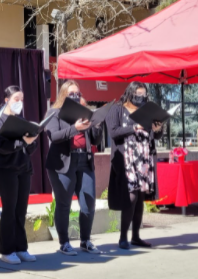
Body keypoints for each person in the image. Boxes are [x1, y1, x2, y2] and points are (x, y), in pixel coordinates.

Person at [44, 80, 103, 256]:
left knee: (89, 202)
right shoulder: (54, 113)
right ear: (63, 95)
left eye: (78, 93)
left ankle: (85, 241)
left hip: (85, 160)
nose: (76, 96)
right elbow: (54, 136)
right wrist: (74, 128)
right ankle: (64, 243)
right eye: (71, 94)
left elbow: (95, 140)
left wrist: (97, 125)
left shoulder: (84, 113)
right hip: (63, 163)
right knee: (64, 204)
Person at [105, 81, 163, 250]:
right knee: (130, 196)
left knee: (140, 198)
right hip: (126, 158)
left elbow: (155, 136)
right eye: (138, 95)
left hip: (144, 157)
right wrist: (134, 127)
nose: (141, 98)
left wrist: (157, 129)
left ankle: (136, 236)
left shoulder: (147, 111)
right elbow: (113, 132)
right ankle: (123, 237)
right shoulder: (117, 109)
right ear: (130, 93)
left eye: (143, 95)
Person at [0, 86, 39, 264]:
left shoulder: (21, 120)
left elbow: (31, 147)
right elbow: (0, 146)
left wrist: (31, 141)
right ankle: (7, 250)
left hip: (23, 168)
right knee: (9, 210)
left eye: (22, 99)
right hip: (5, 170)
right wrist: (21, 142)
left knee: (21, 211)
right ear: (6, 100)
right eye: (16, 99)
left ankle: (21, 248)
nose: (19, 103)